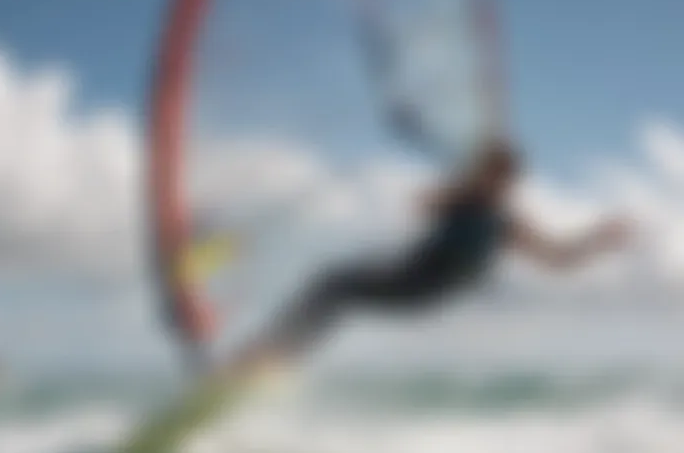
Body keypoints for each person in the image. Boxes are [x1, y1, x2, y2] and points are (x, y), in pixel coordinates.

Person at [229, 110, 629, 375]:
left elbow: (557, 259)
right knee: (336, 289)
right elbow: (420, 204)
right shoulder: (460, 199)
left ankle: (271, 357)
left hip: (424, 289)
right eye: (484, 171)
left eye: (496, 175)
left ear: (507, 181)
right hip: (411, 277)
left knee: (335, 286)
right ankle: (276, 357)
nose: (489, 179)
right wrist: (458, 192)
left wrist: (598, 239)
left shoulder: (505, 223)